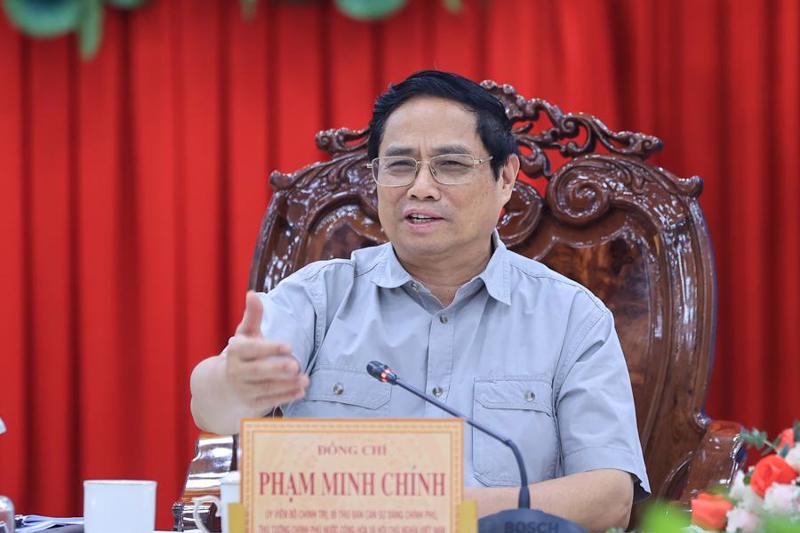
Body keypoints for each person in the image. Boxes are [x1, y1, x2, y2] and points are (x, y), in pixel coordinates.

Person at [190, 70, 649, 531]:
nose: (421, 187)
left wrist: (440, 510)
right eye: (400, 165)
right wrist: (234, 384)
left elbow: (609, 496)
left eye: (450, 165)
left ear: (506, 178)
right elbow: (213, 409)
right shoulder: (319, 298)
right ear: (375, 178)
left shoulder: (572, 317)